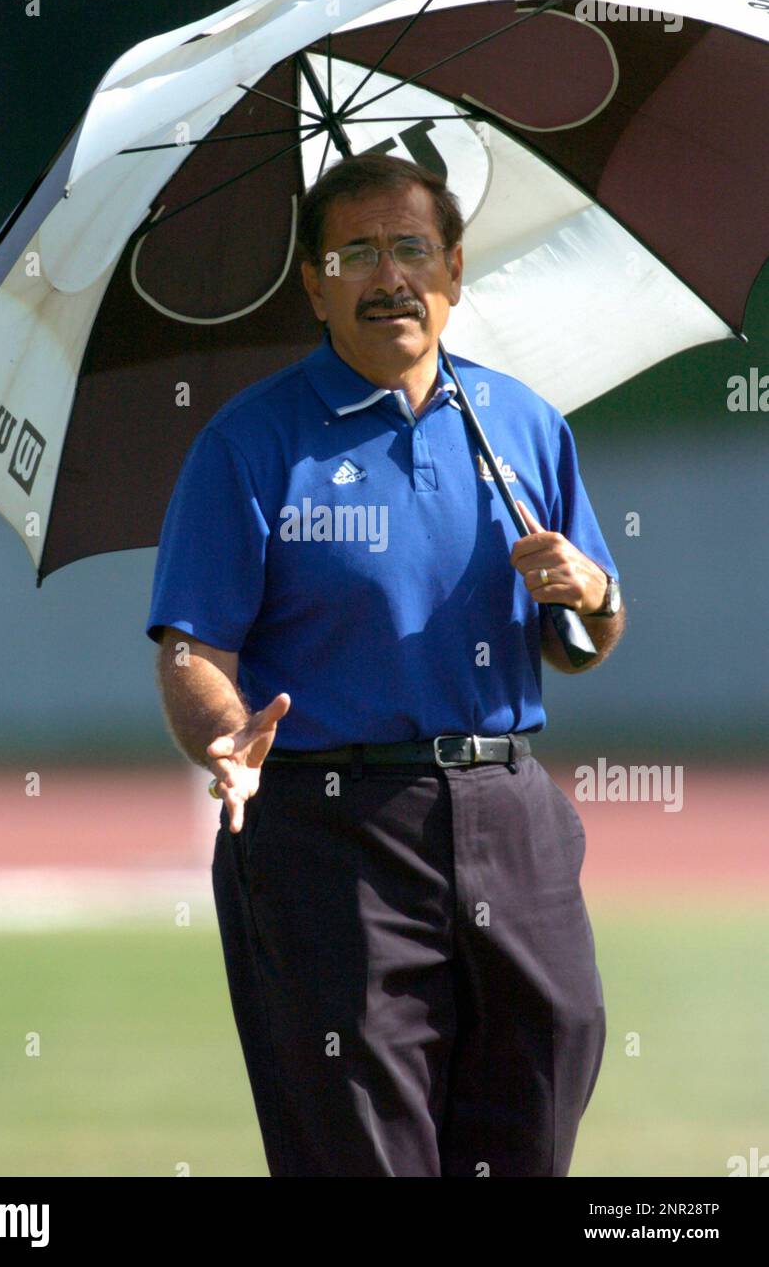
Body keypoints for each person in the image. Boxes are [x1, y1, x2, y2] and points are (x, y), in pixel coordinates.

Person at [145, 151, 625, 1177]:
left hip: (510, 815)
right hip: (328, 834)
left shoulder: (521, 424)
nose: (388, 275)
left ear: (453, 269)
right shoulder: (249, 443)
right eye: (354, 252)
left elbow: (583, 642)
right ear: (313, 285)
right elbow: (191, 647)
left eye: (410, 247)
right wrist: (225, 734)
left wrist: (587, 592)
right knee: (360, 1145)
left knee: (545, 1088)